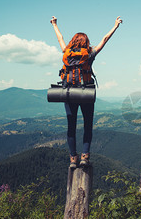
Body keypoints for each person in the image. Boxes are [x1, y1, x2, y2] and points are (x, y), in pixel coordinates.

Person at [50, 15, 122, 168]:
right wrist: (115, 25)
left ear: (73, 41)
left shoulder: (66, 52)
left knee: (71, 126)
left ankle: (72, 159)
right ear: (86, 42)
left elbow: (60, 38)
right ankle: (85, 156)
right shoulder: (89, 54)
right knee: (88, 125)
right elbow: (105, 39)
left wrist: (54, 24)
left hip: (69, 93)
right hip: (86, 93)